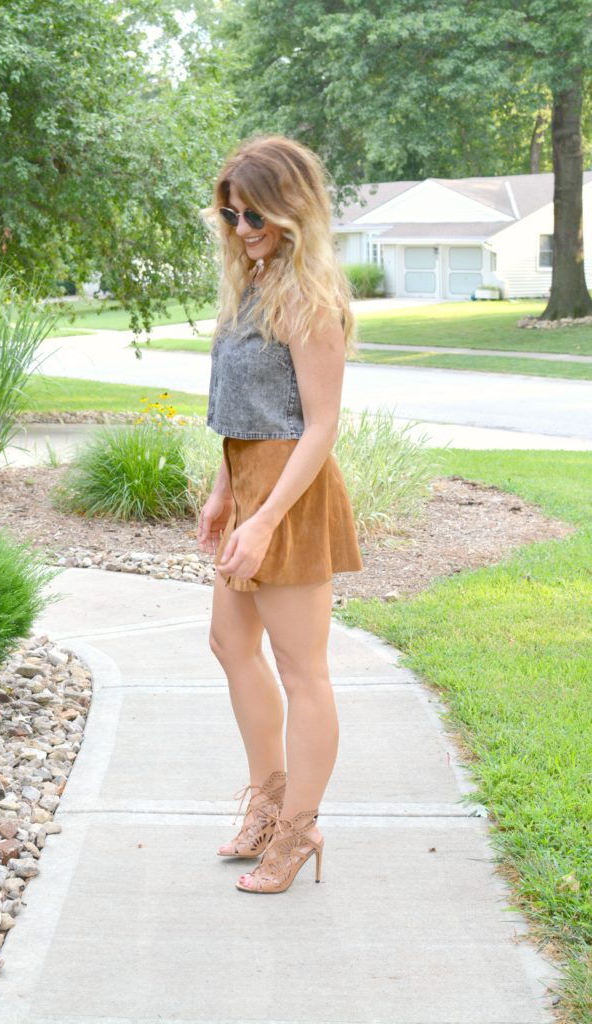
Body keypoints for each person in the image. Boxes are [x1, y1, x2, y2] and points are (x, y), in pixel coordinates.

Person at [196, 134, 363, 894]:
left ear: (292, 209)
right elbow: (245, 407)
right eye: (230, 214)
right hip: (249, 482)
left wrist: (264, 518)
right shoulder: (253, 283)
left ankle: (298, 831)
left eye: (255, 213)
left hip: (290, 494)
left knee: (302, 669)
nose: (242, 228)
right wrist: (226, 493)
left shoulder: (310, 294)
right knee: (230, 646)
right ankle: (268, 799)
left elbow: (319, 424)